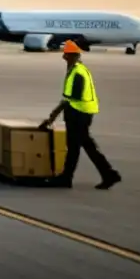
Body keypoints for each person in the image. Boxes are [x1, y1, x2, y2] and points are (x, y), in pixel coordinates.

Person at [39, 40, 121, 189]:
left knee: (76, 146)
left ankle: (69, 178)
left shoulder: (77, 73)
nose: (64, 57)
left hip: (79, 114)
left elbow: (70, 99)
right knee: (82, 146)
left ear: (71, 56)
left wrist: (53, 116)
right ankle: (107, 174)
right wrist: (54, 115)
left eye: (66, 54)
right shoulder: (77, 70)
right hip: (81, 112)